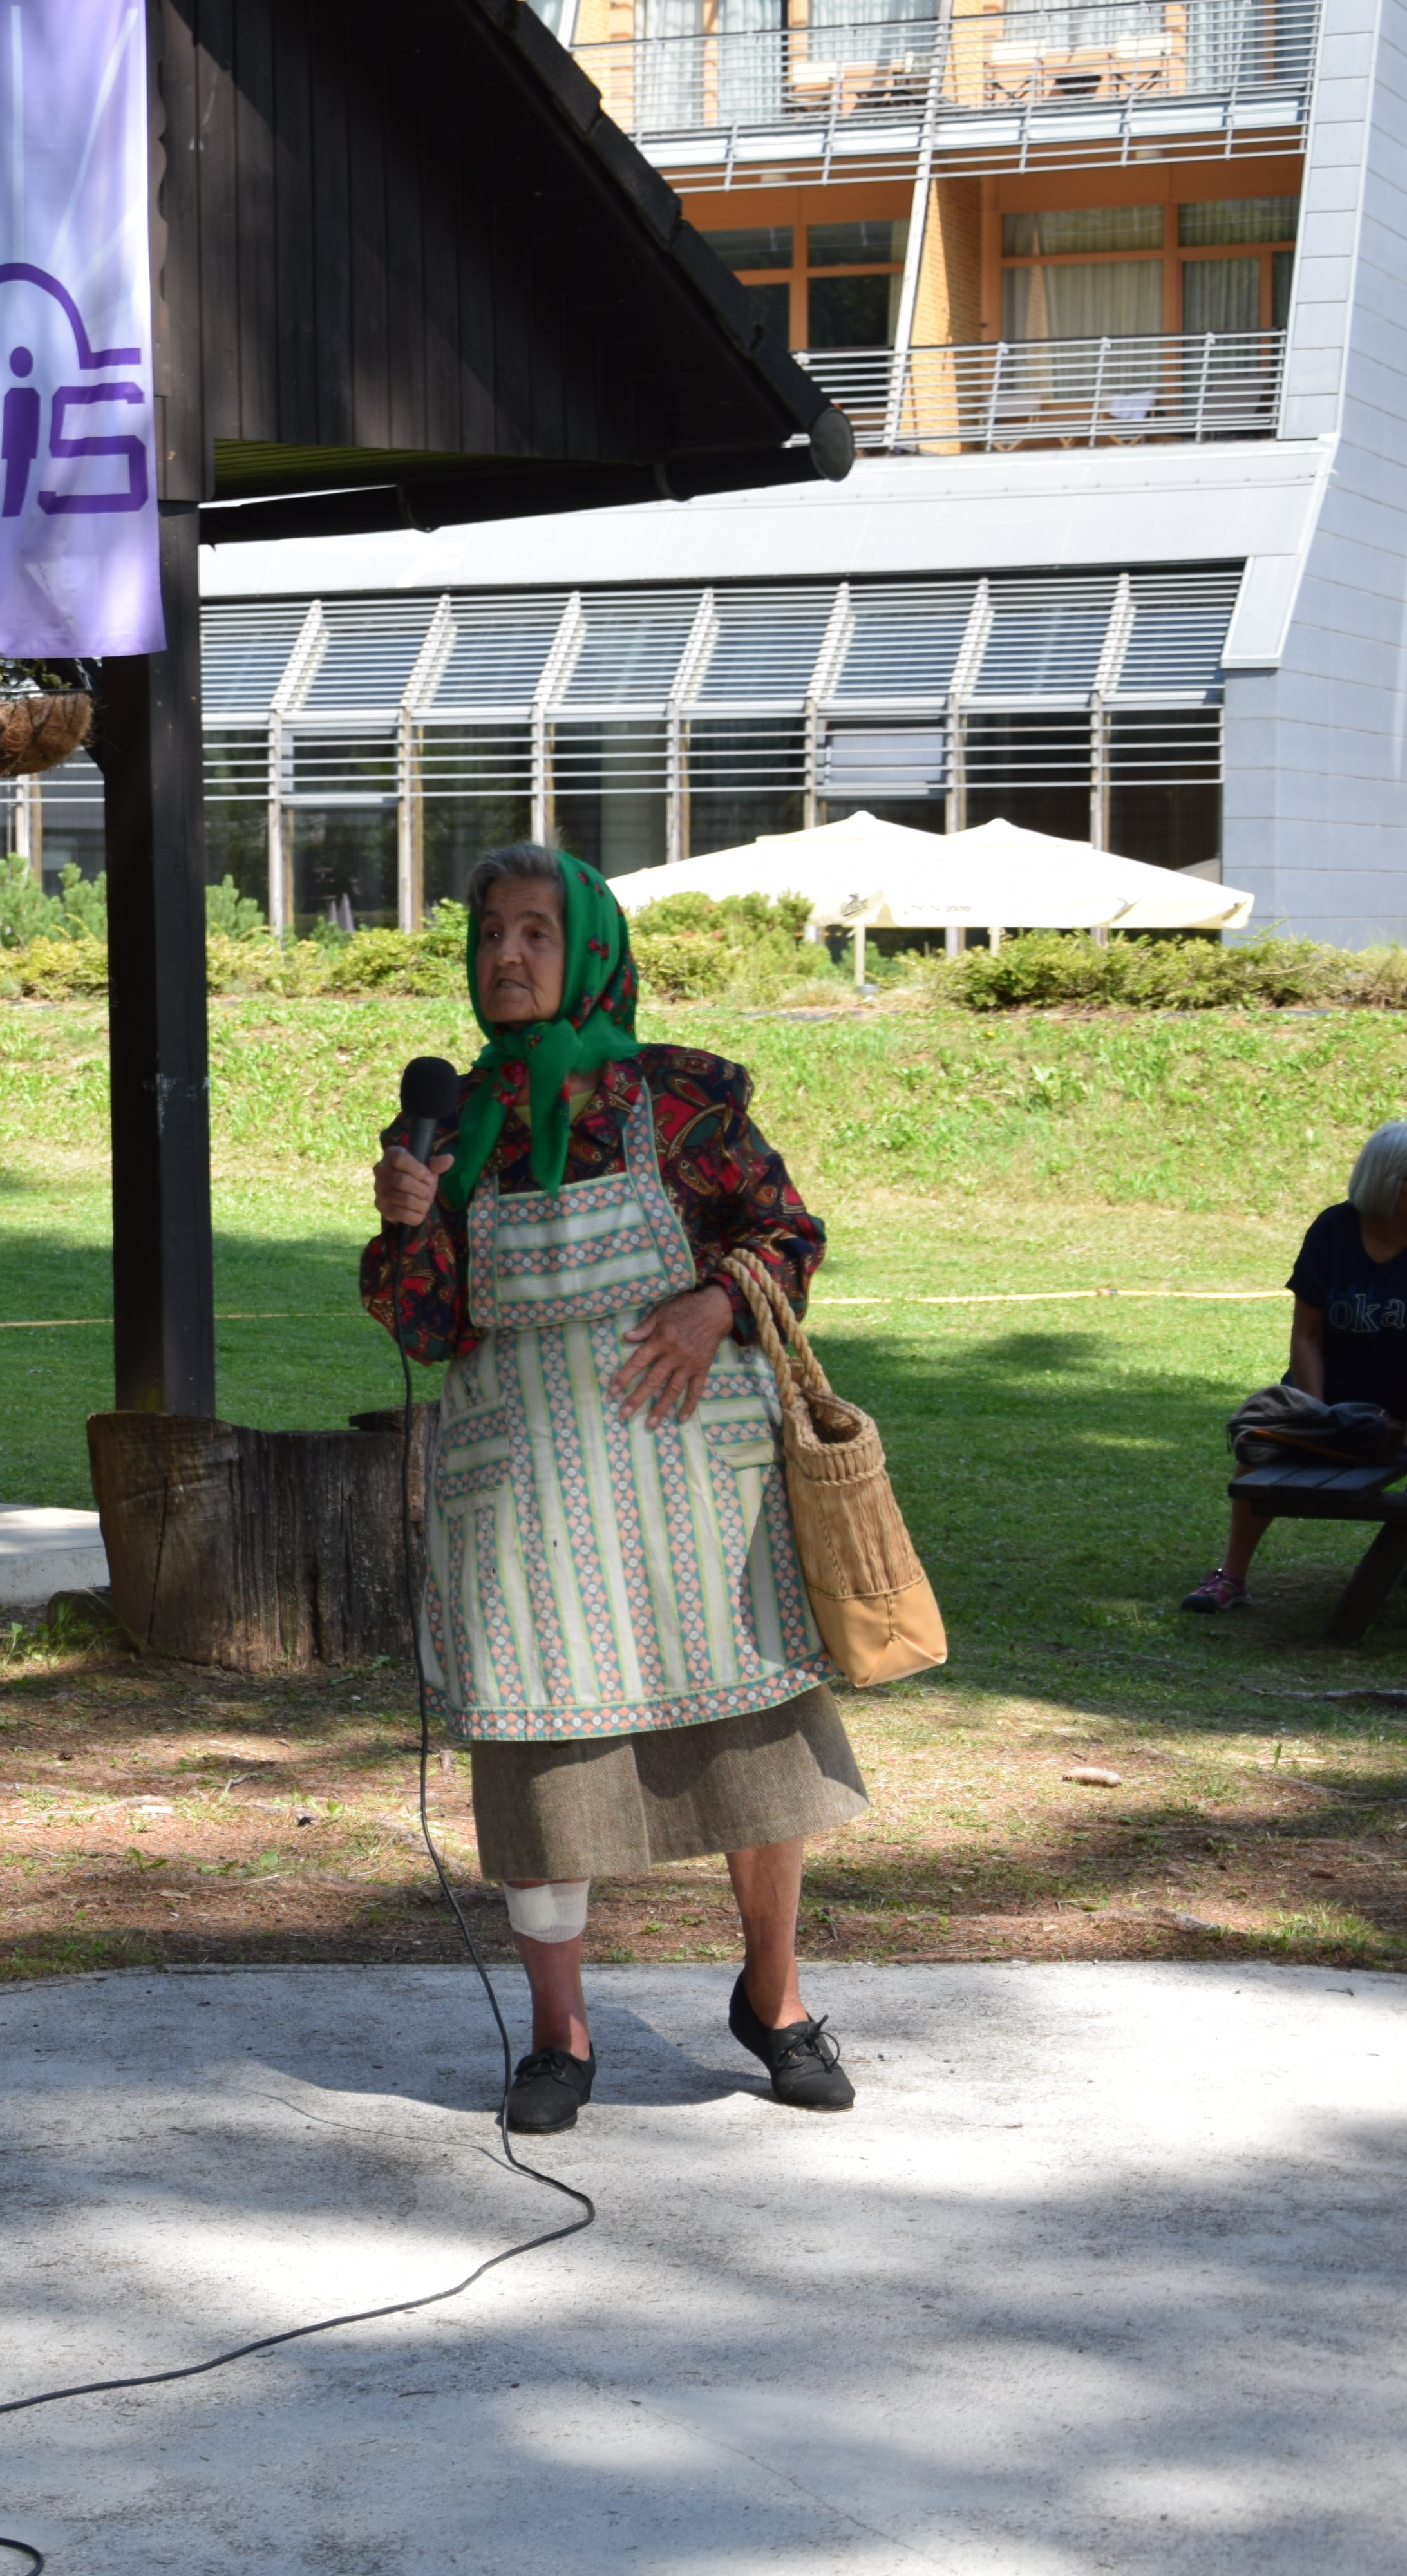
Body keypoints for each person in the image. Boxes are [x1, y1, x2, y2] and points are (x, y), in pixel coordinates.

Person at [362, 844, 865, 2139]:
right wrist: (408, 1220)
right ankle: (560, 2033)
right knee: (541, 1766)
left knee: (755, 1747)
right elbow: (425, 1332)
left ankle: (776, 1995)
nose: (507, 955)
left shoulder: (682, 1099)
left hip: (697, 1489)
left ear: (586, 950)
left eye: (536, 931)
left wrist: (713, 1302)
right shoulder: (456, 1123)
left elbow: (789, 1235)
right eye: (490, 934)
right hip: (525, 1504)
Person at [1182, 1121, 1407, 1629]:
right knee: (1258, 1443)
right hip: (1331, 1386)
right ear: (1388, 1183)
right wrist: (1318, 1416)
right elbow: (1307, 1336)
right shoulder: (1333, 1230)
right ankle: (1231, 1575)